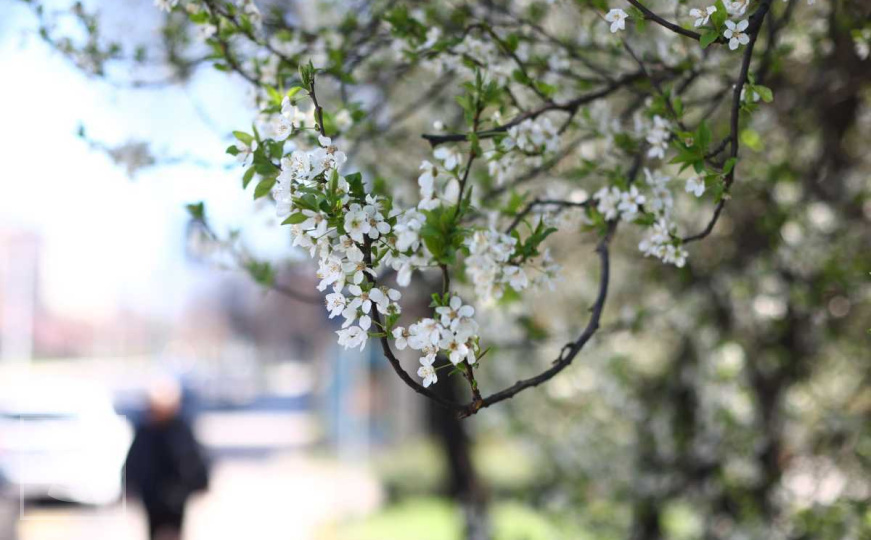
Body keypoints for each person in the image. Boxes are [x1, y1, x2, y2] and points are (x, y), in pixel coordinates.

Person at [125, 379, 209, 540]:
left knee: (175, 532)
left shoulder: (180, 428)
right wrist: (130, 483)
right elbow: (135, 459)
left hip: (177, 494)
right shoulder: (145, 430)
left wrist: (201, 481)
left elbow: (193, 457)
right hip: (152, 494)